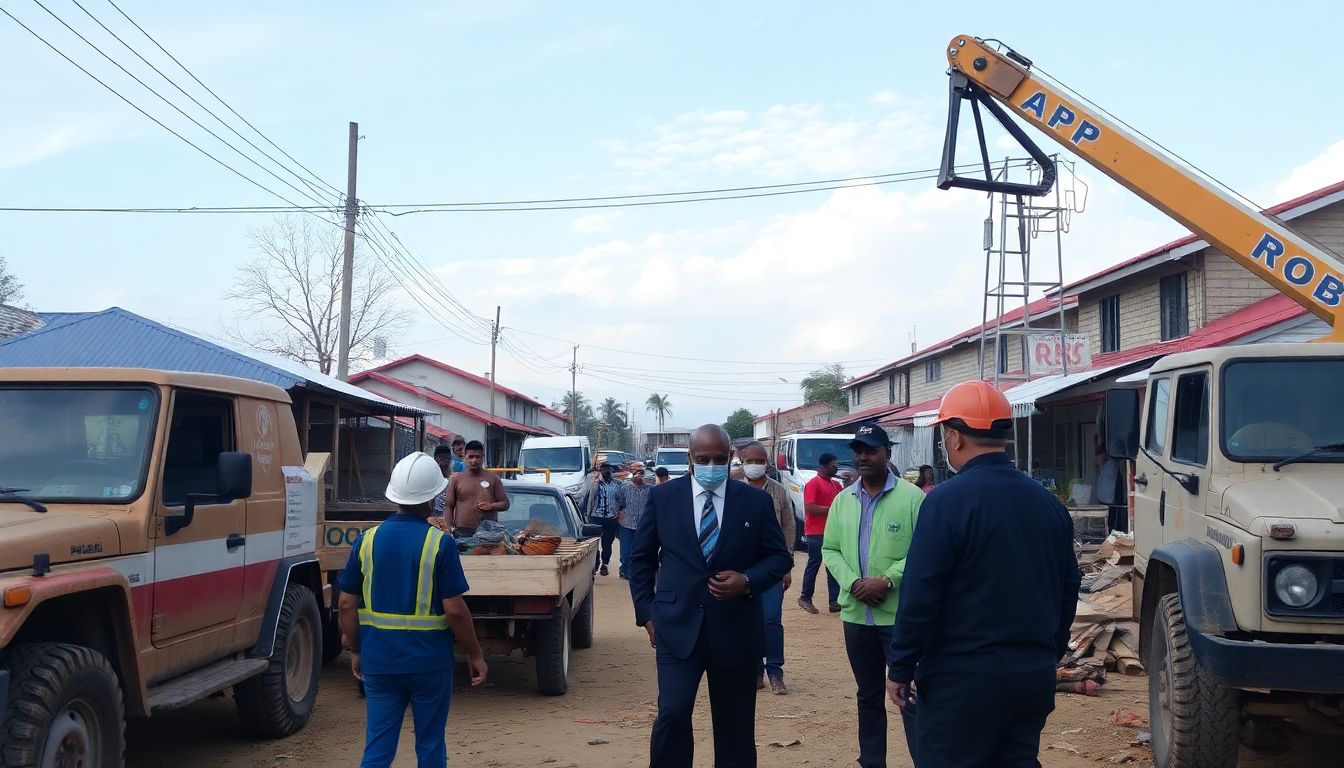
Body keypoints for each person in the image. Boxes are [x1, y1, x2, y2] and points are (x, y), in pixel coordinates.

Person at [887, 381, 1081, 767]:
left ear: (954, 437)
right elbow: (1068, 587)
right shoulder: (1048, 504)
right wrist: (1048, 652)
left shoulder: (945, 502)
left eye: (944, 435)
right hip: (1031, 678)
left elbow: (922, 592)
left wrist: (901, 665)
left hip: (962, 682)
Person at [630, 425, 794, 768]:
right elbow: (641, 560)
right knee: (672, 716)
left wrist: (747, 580)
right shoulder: (663, 498)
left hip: (735, 631)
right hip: (676, 629)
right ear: (690, 459)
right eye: (703, 459)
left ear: (730, 458)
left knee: (735, 728)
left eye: (719, 459)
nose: (711, 465)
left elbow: (780, 558)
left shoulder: (755, 501)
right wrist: (646, 613)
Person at [337, 452, 489, 768]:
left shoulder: (366, 541)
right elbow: (455, 609)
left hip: (380, 661)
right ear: (432, 497)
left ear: (394, 495)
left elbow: (346, 603)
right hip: (429, 663)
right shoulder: (439, 543)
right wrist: (474, 654)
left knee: (377, 748)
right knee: (431, 746)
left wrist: (355, 649)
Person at [820, 424, 922, 768]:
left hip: (899, 620)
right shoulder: (842, 500)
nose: (863, 456)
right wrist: (853, 583)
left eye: (872, 450)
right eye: (859, 450)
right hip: (856, 617)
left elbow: (925, 553)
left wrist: (887, 580)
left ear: (887, 454)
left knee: (908, 693)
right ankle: (872, 761)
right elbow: (830, 549)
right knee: (868, 696)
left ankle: (924, 760)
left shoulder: (912, 498)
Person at [738, 440, 795, 695]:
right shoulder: (734, 491)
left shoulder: (780, 491)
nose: (754, 465)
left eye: (758, 461)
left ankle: (775, 671)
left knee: (772, 619)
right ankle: (754, 670)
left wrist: (787, 564)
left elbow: (789, 526)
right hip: (743, 569)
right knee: (747, 621)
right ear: (742, 463)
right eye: (749, 461)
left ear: (767, 463)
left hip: (772, 567)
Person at [797, 452, 842, 615]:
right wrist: (833, 510)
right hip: (816, 531)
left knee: (833, 566)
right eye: (833, 465)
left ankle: (834, 601)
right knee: (814, 563)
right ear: (823, 466)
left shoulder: (836, 485)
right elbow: (809, 507)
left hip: (832, 531)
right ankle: (805, 597)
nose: (836, 467)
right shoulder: (813, 484)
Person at [442, 440, 509, 537]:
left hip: (489, 532)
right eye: (471, 457)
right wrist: (450, 528)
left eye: (477, 457)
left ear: (483, 458)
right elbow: (448, 506)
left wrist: (491, 506)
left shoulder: (493, 479)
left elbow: (505, 504)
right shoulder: (456, 480)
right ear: (465, 457)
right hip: (462, 533)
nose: (474, 460)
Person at [582, 462, 625, 576]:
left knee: (607, 543)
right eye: (602, 469)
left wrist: (619, 512)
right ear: (599, 470)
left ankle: (604, 564)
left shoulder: (617, 484)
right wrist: (595, 480)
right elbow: (585, 495)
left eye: (607, 469)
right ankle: (595, 562)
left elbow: (621, 501)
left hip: (611, 518)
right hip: (595, 518)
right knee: (593, 542)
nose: (605, 471)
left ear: (610, 470)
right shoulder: (593, 482)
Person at [617, 461, 651, 580]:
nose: (638, 476)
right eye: (636, 473)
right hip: (627, 524)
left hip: (643, 525)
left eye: (640, 473)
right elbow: (620, 503)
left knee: (641, 552)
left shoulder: (649, 489)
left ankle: (636, 572)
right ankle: (625, 571)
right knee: (626, 551)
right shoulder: (625, 488)